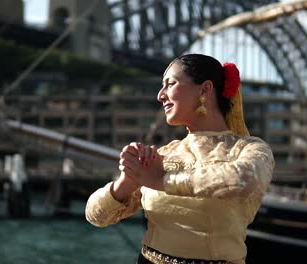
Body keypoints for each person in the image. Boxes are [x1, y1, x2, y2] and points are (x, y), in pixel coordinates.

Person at [85, 54, 274, 264]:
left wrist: (161, 181)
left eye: (170, 84)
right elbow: (96, 216)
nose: (160, 95)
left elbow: (244, 180)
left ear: (204, 89)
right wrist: (127, 182)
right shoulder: (165, 154)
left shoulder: (249, 149)